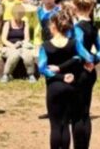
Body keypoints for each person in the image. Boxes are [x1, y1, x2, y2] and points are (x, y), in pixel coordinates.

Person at [38, 10, 81, 149]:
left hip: (54, 88)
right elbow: (78, 58)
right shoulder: (74, 43)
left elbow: (42, 68)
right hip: (70, 86)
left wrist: (59, 74)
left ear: (53, 26)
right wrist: (64, 70)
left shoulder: (45, 46)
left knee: (55, 126)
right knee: (65, 124)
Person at [72, 0, 100, 149]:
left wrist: (88, 60)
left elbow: (78, 47)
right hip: (91, 73)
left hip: (79, 71)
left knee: (77, 115)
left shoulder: (77, 27)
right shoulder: (94, 28)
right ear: (91, 7)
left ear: (74, 6)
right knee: (86, 113)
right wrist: (94, 60)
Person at [0, 3, 36, 83]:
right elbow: (3, 39)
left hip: (22, 46)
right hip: (9, 47)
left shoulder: (25, 23)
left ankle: (31, 75)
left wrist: (21, 43)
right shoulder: (7, 24)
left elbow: (27, 38)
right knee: (14, 54)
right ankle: (6, 74)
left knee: (27, 55)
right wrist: (13, 46)